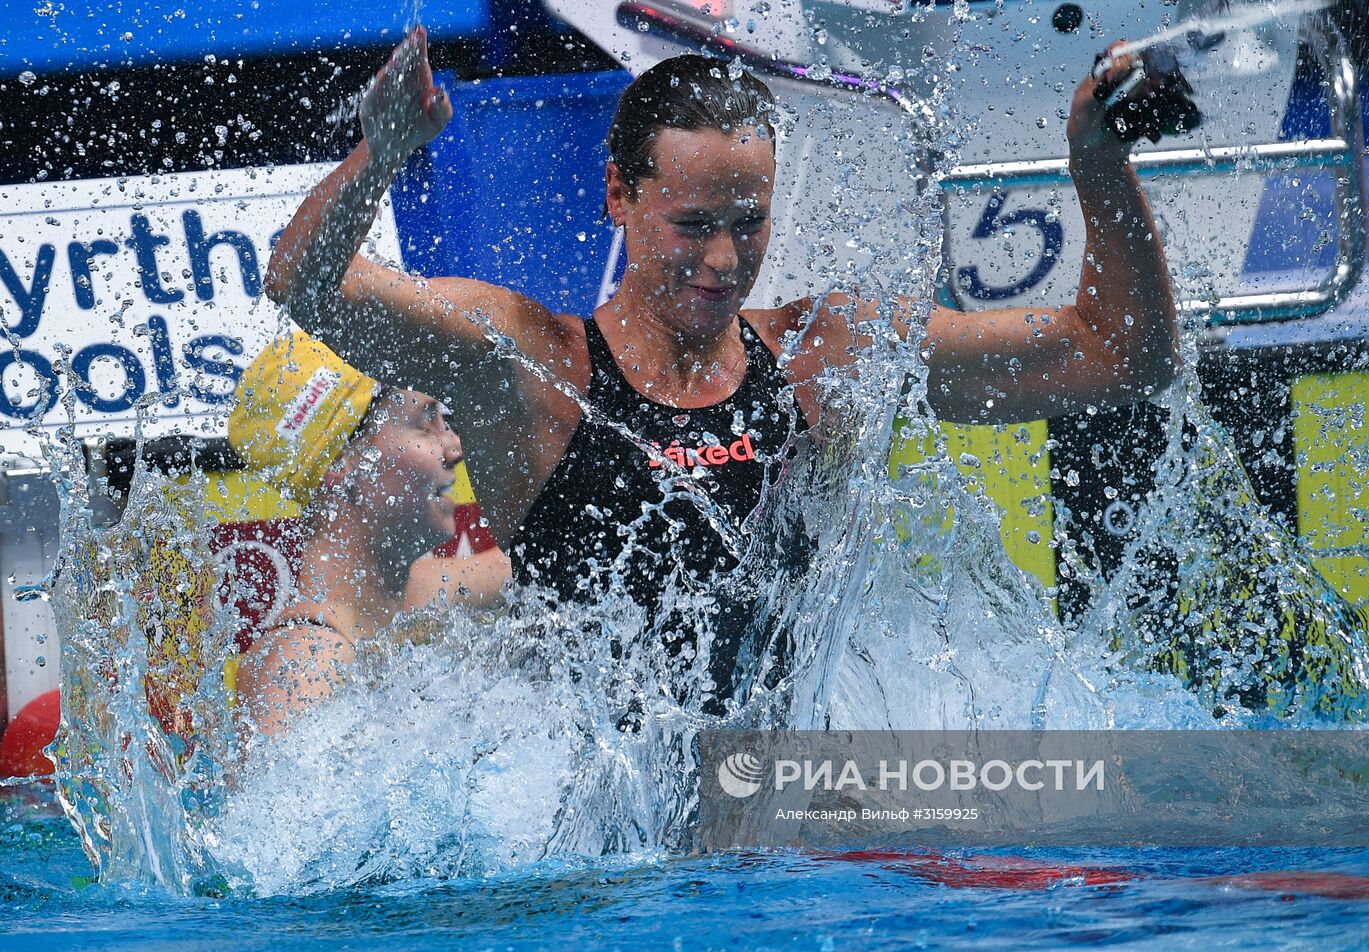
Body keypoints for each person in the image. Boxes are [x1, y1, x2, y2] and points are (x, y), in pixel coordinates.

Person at [264, 28, 1177, 711]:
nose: (724, 260)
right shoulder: (535, 367)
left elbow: (1117, 355)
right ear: (619, 195)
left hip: (796, 810)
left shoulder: (832, 351)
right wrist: (377, 155)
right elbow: (306, 283)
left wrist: (1097, 161)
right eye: (693, 224)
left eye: (749, 222)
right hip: (622, 842)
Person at [228, 330, 509, 738]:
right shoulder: (302, 669)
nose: (454, 448)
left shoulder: (422, 598)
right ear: (341, 464)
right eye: (425, 424)